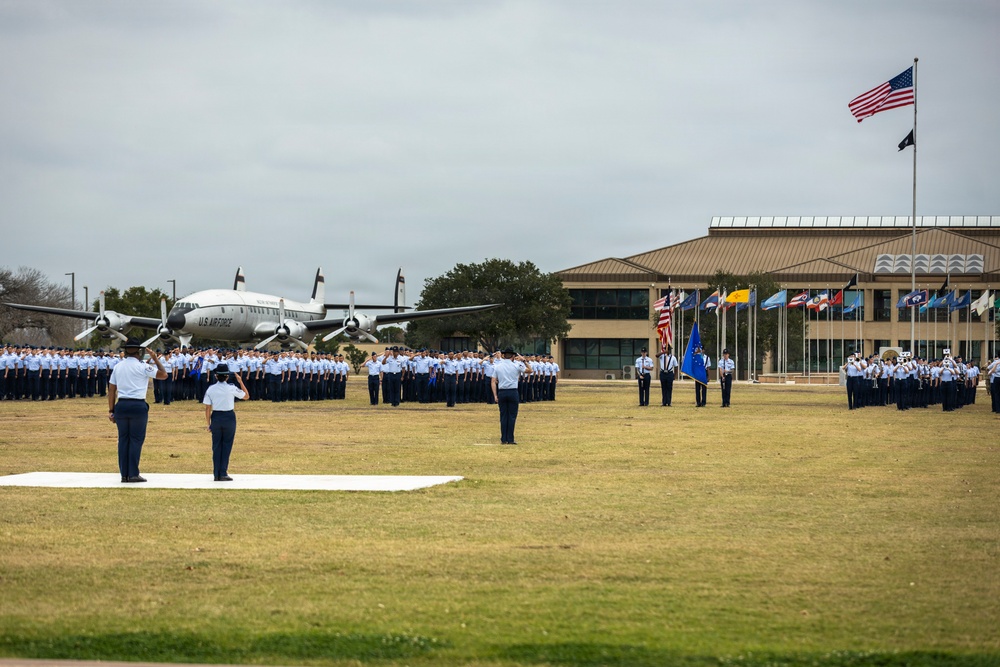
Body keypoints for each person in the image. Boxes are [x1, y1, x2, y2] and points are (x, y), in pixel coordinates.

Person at [107, 338, 167, 483]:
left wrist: (111, 410)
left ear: (125, 351)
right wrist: (155, 359)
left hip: (122, 405)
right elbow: (163, 375)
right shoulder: (142, 367)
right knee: (135, 440)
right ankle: (133, 473)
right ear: (139, 352)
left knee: (123, 440)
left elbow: (112, 390)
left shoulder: (118, 367)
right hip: (138, 406)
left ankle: (124, 474)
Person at [202, 363, 249, 481]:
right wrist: (240, 381)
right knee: (227, 445)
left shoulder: (211, 389)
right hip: (229, 417)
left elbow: (207, 408)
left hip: (216, 417)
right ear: (227, 377)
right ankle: (223, 472)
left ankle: (216, 473)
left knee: (216, 446)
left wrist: (208, 424)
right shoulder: (231, 388)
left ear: (216, 376)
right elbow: (246, 396)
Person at [492, 347, 527, 445]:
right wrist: (524, 360)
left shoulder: (498, 366)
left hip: (502, 392)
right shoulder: (516, 366)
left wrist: (495, 395)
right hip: (512, 392)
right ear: (513, 356)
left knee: (503, 416)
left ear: (503, 355)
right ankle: (510, 438)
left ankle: (503, 439)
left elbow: (493, 381)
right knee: (512, 416)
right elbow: (530, 370)